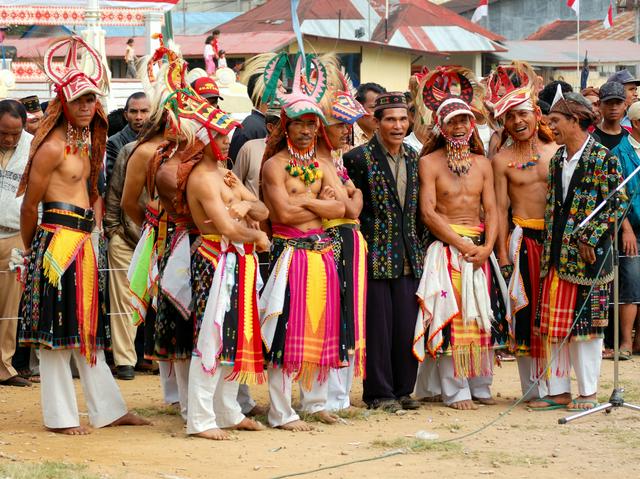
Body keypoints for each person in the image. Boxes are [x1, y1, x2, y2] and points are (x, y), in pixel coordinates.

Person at [16, 36, 148, 434]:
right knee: (57, 333)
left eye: (91, 100)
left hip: (84, 242)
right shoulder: (52, 148)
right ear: (64, 103)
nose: (87, 106)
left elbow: (92, 192)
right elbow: (28, 206)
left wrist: (95, 233)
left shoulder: (91, 140)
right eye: (79, 101)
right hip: (55, 242)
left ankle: (108, 409)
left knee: (89, 328)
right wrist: (32, 251)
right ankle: (60, 418)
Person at [413, 67, 507, 410]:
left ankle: (480, 385)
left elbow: (494, 211)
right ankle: (455, 391)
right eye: (453, 121)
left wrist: (486, 249)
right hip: (449, 251)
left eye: (465, 121)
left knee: (481, 317)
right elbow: (429, 212)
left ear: (473, 124)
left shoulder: (484, 163)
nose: (460, 127)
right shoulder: (429, 163)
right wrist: (462, 244)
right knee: (454, 317)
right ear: (441, 125)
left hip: (479, 251)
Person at [260, 53, 345, 430]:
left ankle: (315, 403)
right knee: (285, 332)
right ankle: (281, 412)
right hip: (289, 255)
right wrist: (320, 206)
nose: (308, 131)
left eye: (313, 124)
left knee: (322, 328)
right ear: (286, 126)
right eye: (300, 124)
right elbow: (281, 215)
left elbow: (342, 207)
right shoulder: (274, 165)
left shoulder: (325, 164)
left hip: (322, 254)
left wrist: (307, 202)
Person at [181, 102, 269, 440]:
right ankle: (201, 419)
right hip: (216, 259)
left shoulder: (225, 173)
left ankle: (228, 411)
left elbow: (260, 209)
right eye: (220, 134)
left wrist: (247, 205)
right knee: (212, 337)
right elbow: (228, 230)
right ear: (204, 139)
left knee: (234, 335)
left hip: (238, 261)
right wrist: (257, 234)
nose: (227, 138)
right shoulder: (203, 179)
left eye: (228, 133)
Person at [534, 87, 624, 411]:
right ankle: (558, 391)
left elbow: (618, 202)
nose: (550, 127)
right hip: (557, 254)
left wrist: (592, 236)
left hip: (590, 259)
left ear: (575, 120)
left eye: (555, 120)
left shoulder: (603, 157)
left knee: (586, 329)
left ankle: (588, 393)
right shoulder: (558, 158)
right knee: (554, 326)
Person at [344, 92, 425, 412]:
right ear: (376, 122)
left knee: (406, 324)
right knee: (379, 326)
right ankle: (379, 393)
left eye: (403, 119)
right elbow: (354, 211)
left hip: (408, 254)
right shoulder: (358, 158)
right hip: (374, 253)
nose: (398, 125)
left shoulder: (413, 157)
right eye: (390, 119)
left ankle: (404, 390)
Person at [489, 63, 560, 403]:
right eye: (509, 118)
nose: (517, 123)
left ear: (535, 113)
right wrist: (503, 252)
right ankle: (531, 389)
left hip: (556, 244)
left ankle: (557, 386)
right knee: (525, 314)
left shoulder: (557, 152)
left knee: (554, 311)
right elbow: (500, 210)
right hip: (522, 242)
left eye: (522, 115)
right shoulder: (501, 160)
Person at [312, 74, 368, 413]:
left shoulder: (336, 160)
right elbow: (349, 207)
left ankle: (340, 396)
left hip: (348, 238)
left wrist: (353, 194)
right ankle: (328, 398)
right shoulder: (320, 162)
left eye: (349, 126)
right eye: (340, 126)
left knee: (349, 316)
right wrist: (351, 196)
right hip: (331, 240)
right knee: (334, 316)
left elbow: (354, 206)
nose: (347, 132)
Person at [0, 100, 32, 387]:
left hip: (14, 235)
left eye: (15, 133)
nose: (9, 139)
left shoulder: (34, 147)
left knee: (10, 307)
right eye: (3, 133)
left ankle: (4, 367)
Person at [611, 101, 640, 358]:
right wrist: (626, 228)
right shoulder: (620, 153)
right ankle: (626, 343)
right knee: (630, 282)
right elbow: (616, 194)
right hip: (632, 225)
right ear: (638, 123)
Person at [229, 57, 272, 161]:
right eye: (278, 87)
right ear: (262, 93)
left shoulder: (266, 123)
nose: (284, 90)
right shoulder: (250, 128)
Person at [232, 106, 280, 197]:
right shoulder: (249, 148)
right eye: (285, 126)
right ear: (271, 127)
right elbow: (235, 184)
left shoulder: (296, 153)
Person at [105, 92, 150, 182]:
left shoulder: (160, 138)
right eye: (133, 112)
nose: (138, 117)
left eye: (144, 111)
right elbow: (116, 181)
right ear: (126, 115)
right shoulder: (114, 142)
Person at [592, 82, 628, 151]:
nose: (614, 107)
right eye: (608, 102)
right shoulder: (589, 135)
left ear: (625, 105)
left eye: (618, 103)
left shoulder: (631, 135)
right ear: (599, 104)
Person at [353, 82, 386, 147]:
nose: (379, 114)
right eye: (373, 107)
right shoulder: (347, 136)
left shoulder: (383, 136)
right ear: (358, 107)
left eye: (382, 108)